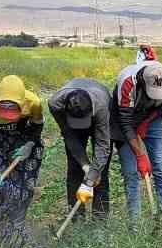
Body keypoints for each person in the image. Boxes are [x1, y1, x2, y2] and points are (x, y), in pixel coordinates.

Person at [0, 74, 45, 221]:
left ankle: (15, 221)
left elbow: (37, 125)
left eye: (12, 110)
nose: (7, 116)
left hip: (23, 137)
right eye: (3, 109)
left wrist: (30, 144)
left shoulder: (34, 102)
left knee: (24, 182)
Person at [113, 55, 162, 216]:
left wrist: (147, 122)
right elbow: (125, 122)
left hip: (152, 118)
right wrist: (140, 154)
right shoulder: (128, 83)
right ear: (143, 83)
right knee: (131, 173)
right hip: (126, 118)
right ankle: (135, 224)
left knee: (160, 169)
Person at [47, 78, 114, 219]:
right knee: (74, 168)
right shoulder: (56, 104)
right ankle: (76, 218)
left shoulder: (101, 106)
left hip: (99, 118)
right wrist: (84, 165)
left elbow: (103, 146)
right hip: (71, 126)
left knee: (101, 171)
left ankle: (100, 219)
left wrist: (91, 177)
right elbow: (69, 135)